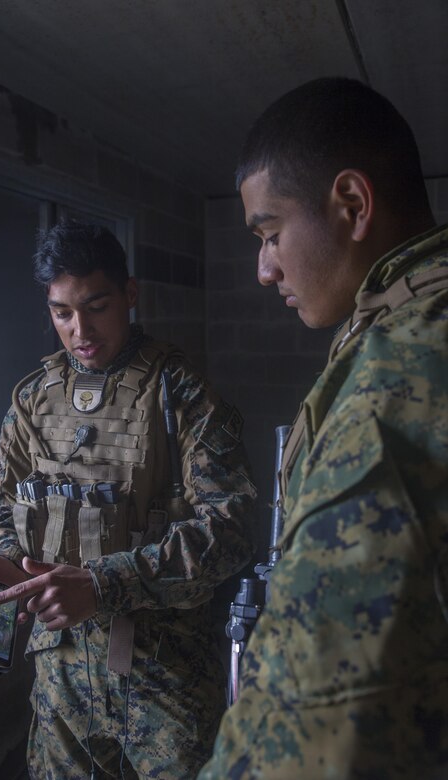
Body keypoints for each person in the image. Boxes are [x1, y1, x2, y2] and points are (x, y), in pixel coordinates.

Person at [198, 77, 448, 779]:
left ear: (351, 205)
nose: (263, 267)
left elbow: (314, 730)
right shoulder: (402, 322)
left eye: (272, 233)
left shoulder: (399, 375)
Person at [0, 221, 257, 779]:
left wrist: (102, 585)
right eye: (61, 312)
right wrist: (9, 564)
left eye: (96, 305)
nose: (79, 329)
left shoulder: (180, 391)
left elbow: (231, 528)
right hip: (60, 676)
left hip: (164, 679)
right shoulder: (32, 398)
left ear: (130, 294)